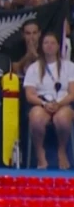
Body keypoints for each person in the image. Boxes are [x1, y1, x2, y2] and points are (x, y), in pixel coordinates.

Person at [24, 32, 74, 170]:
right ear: (41, 46)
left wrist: (59, 104)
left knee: (62, 119)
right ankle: (40, 153)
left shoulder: (69, 66)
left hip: (62, 103)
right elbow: (29, 94)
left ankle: (62, 150)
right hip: (42, 103)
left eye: (53, 43)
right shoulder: (33, 68)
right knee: (36, 119)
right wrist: (44, 104)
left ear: (58, 46)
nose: (49, 46)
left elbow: (72, 93)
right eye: (46, 43)